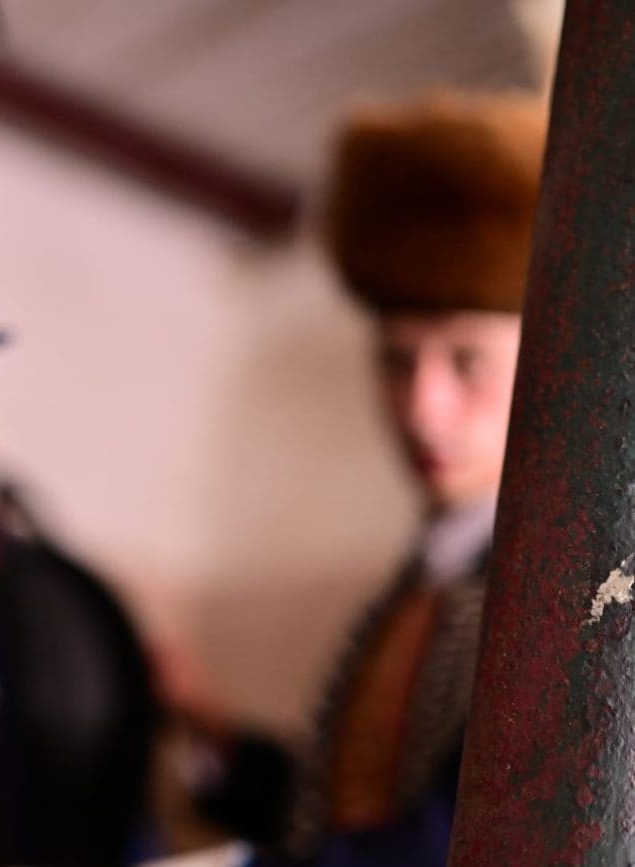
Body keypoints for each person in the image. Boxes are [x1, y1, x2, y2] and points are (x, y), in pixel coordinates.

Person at [157, 90, 548, 866]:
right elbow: (332, 818)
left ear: (545, 368)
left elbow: (444, 841)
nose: (422, 409)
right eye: (396, 361)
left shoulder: (559, 606)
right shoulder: (427, 579)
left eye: (467, 361)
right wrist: (217, 734)